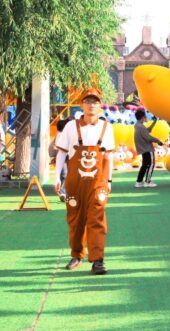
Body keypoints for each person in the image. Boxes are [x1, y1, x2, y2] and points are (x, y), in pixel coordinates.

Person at [54, 88, 115, 275]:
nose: (91, 105)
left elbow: (108, 156)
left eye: (95, 102)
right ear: (81, 105)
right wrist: (57, 177)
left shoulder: (106, 127)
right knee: (75, 219)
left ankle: (97, 260)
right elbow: (62, 152)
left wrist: (110, 180)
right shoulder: (71, 126)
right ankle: (76, 255)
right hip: (75, 183)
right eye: (88, 101)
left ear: (100, 105)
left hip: (98, 182)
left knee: (97, 219)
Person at [133, 109, 163, 188]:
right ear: (143, 117)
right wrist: (158, 141)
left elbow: (147, 131)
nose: (146, 117)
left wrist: (154, 122)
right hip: (147, 149)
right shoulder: (141, 127)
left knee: (145, 165)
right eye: (145, 116)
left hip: (143, 149)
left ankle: (139, 181)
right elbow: (148, 137)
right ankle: (148, 181)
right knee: (151, 164)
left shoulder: (137, 125)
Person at [50, 118, 72, 201]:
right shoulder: (60, 134)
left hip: (65, 157)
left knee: (64, 174)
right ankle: (62, 192)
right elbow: (57, 147)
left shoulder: (63, 134)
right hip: (62, 157)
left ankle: (64, 192)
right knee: (64, 174)